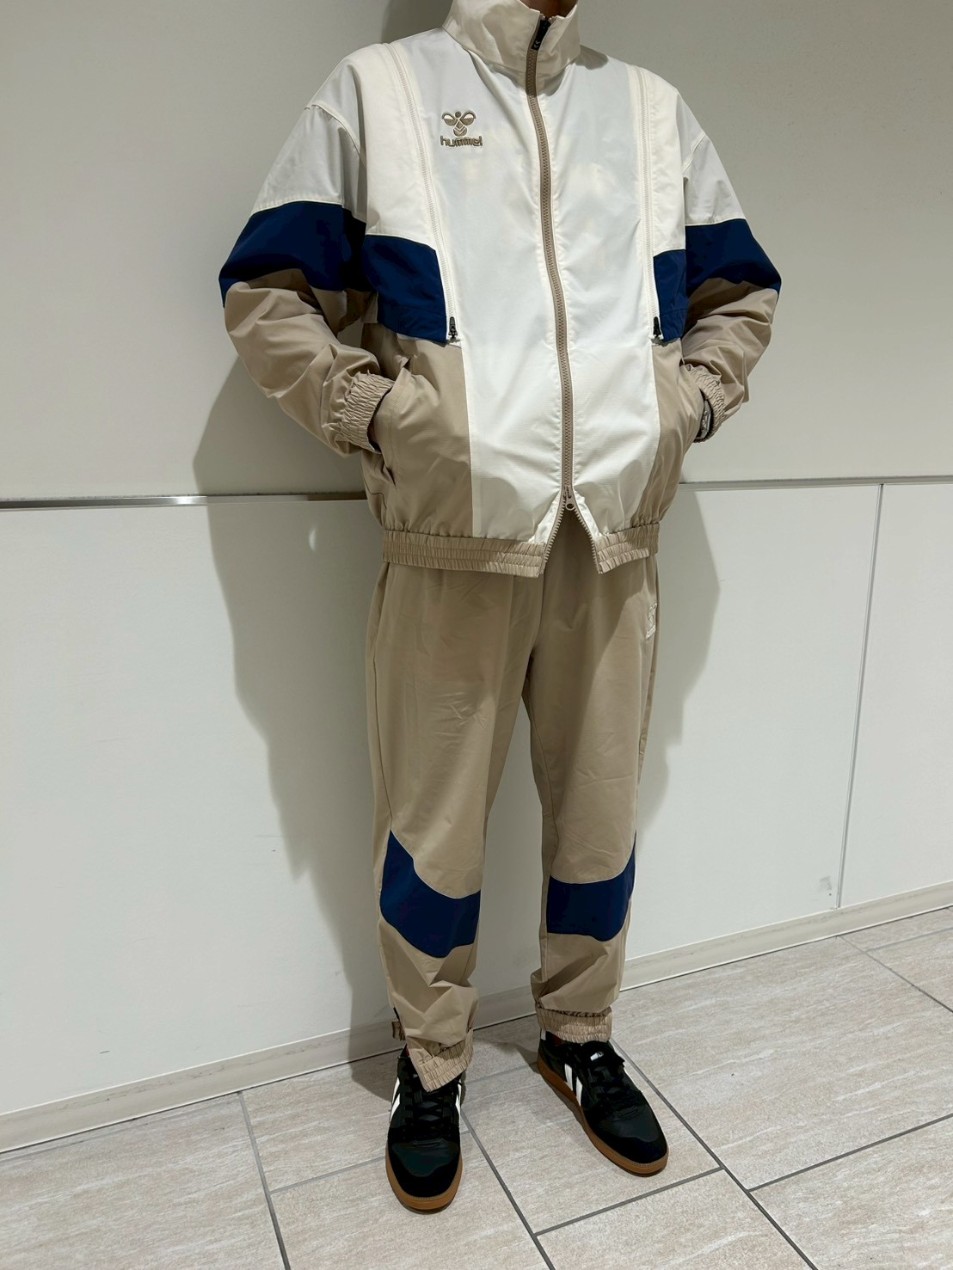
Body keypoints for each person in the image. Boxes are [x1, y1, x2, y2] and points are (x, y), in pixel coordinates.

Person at [218, 0, 781, 1213]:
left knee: (598, 815)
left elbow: (739, 295)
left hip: (612, 542)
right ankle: (430, 1063)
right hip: (451, 540)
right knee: (433, 825)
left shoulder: (648, 111)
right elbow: (266, 291)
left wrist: (680, 407)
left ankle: (578, 1034)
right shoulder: (378, 93)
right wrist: (383, 420)